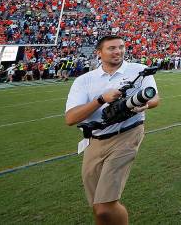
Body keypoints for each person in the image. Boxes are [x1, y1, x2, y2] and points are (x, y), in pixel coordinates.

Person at [65, 35, 159, 225]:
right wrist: (101, 99)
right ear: (99, 53)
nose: (118, 51)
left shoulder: (139, 70)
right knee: (98, 208)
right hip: (95, 140)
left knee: (105, 206)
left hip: (128, 133)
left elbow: (155, 98)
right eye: (112, 48)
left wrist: (145, 106)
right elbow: (71, 118)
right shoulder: (84, 80)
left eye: (121, 47)